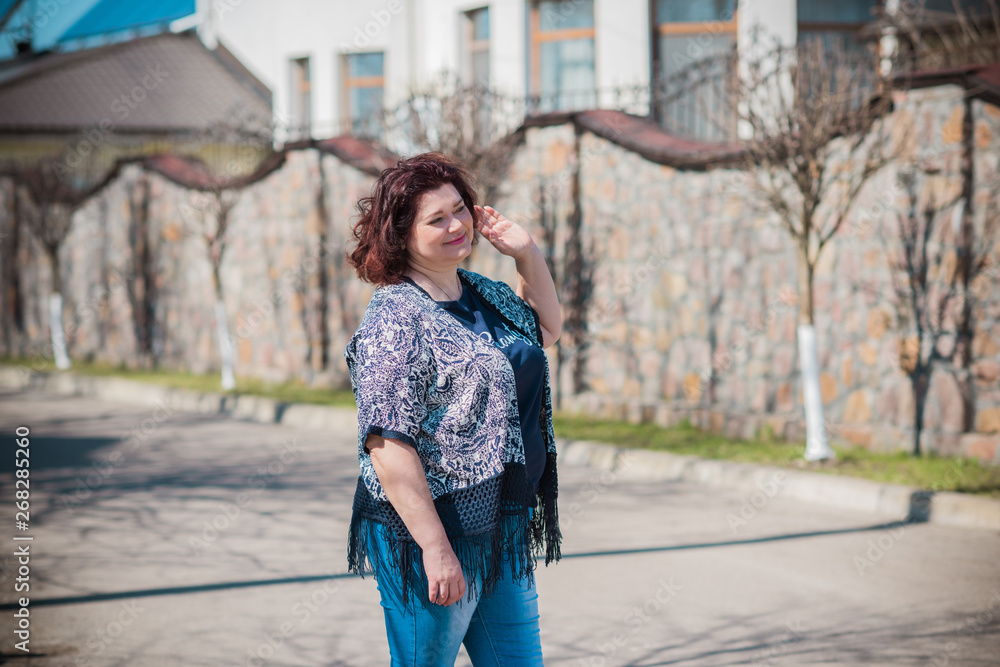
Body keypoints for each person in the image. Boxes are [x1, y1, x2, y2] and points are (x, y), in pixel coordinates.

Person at [343, 152, 563, 666]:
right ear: (400, 236)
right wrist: (435, 548)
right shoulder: (395, 321)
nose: (456, 225)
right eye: (436, 219)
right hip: (434, 531)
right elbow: (386, 445)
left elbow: (545, 330)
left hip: (500, 522)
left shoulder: (484, 293)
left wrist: (526, 254)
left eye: (460, 209)